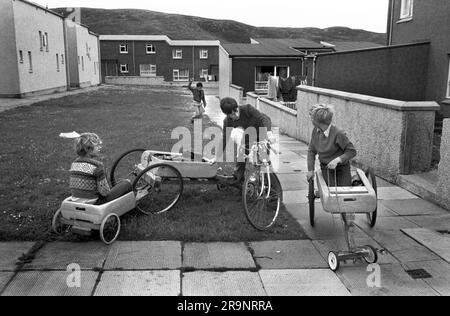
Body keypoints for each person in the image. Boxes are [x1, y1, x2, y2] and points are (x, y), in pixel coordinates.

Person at [217, 97, 275, 182]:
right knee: (242, 153)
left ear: (237, 108)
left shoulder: (247, 109)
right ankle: (238, 178)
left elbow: (263, 119)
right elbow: (225, 138)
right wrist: (217, 156)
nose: (235, 115)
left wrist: (269, 133)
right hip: (249, 134)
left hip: (263, 129)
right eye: (232, 115)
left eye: (236, 112)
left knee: (263, 157)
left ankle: (270, 183)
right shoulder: (228, 121)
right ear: (227, 114)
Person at [69, 133, 131, 204]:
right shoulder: (97, 166)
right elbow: (105, 193)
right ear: (89, 149)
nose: (99, 147)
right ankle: (133, 199)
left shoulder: (74, 163)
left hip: (76, 201)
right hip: (94, 202)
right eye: (97, 145)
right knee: (126, 183)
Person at [306, 104, 356, 187]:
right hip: (326, 167)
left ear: (317, 121)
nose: (311, 120)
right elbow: (311, 150)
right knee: (330, 191)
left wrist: (337, 160)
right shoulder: (316, 131)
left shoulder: (338, 133)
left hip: (342, 167)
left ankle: (354, 180)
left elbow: (351, 151)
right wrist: (310, 170)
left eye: (312, 118)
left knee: (345, 191)